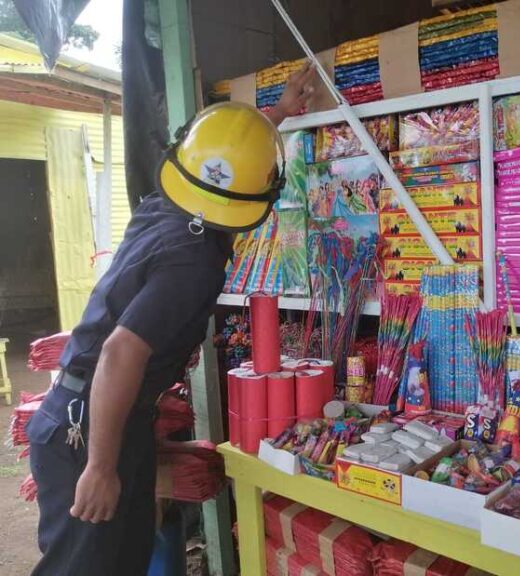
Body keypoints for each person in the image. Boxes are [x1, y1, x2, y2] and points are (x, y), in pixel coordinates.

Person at [26, 64, 316, 576]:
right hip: (87, 430)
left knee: (120, 561)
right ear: (262, 201)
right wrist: (99, 467)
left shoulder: (164, 204)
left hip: (97, 416)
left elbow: (223, 161)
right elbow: (120, 352)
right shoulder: (197, 261)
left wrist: (279, 113)